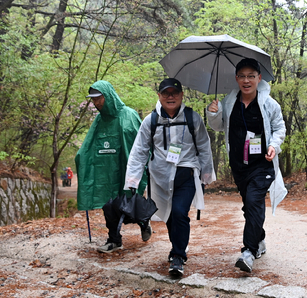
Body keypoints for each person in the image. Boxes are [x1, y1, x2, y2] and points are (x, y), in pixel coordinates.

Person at [124, 78, 215, 277]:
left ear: (182, 95)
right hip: (160, 178)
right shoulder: (151, 120)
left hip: (186, 174)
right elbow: (139, 151)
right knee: (168, 214)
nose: (170, 96)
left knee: (180, 212)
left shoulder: (193, 118)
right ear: (159, 96)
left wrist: (206, 175)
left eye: (175, 93)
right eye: (166, 93)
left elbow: (204, 146)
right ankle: (179, 246)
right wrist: (132, 180)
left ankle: (178, 256)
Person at [206, 58, 287, 273]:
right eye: (242, 76)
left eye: (251, 76)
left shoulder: (269, 103)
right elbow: (218, 127)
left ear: (259, 78)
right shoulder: (229, 101)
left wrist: (273, 145)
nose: (246, 80)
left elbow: (279, 128)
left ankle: (248, 252)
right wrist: (213, 112)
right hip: (239, 165)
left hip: (263, 163)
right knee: (249, 206)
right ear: (236, 79)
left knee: (253, 201)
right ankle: (258, 239)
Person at [75, 80, 150, 253]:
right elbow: (88, 145)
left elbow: (142, 144)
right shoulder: (99, 120)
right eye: (93, 99)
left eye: (98, 98)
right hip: (106, 172)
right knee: (109, 205)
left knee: (129, 204)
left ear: (107, 96)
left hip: (127, 170)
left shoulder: (129, 115)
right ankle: (114, 239)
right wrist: (82, 158)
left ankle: (144, 222)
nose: (96, 102)